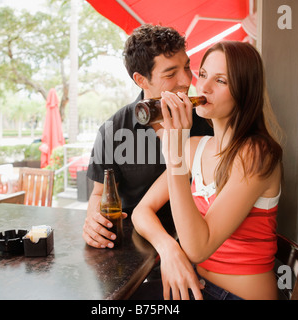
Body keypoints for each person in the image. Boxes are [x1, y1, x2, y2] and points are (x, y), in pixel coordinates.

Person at [132, 41, 284, 300]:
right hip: (198, 285)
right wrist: (169, 250)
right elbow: (141, 212)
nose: (203, 87)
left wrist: (175, 157)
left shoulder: (257, 154)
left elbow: (198, 247)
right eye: (202, 75)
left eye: (221, 81)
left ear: (244, 90)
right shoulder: (195, 147)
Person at [83, 24, 213, 249]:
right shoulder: (113, 130)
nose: (185, 80)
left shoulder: (207, 122)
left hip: (196, 244)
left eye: (187, 66)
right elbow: (99, 194)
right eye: (171, 74)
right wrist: (93, 221)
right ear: (141, 80)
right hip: (132, 247)